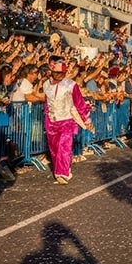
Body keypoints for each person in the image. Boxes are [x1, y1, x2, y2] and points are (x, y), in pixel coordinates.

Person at [43, 56, 93, 185]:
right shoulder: (46, 84)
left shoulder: (71, 85)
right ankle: (58, 169)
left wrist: (86, 120)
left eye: (62, 73)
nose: (60, 76)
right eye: (57, 73)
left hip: (66, 120)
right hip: (51, 121)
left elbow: (79, 104)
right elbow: (46, 102)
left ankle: (62, 173)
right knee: (54, 148)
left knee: (64, 146)